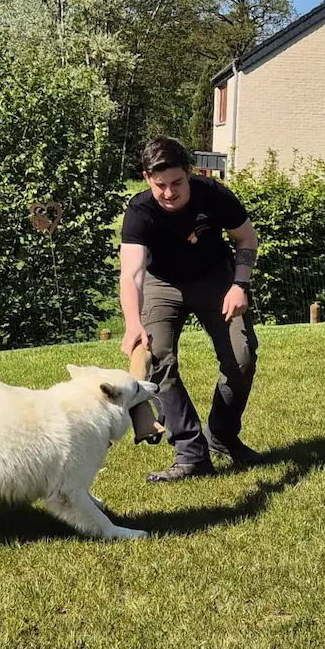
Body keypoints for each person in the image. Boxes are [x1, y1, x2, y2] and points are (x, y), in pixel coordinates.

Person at [118, 136, 264, 482]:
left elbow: (246, 238)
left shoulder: (213, 195)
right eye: (160, 185)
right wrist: (133, 323)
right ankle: (191, 454)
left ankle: (223, 435)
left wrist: (239, 285)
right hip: (162, 284)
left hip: (216, 279)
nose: (169, 193)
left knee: (242, 358)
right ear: (147, 178)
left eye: (177, 183)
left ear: (189, 172)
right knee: (159, 359)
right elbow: (132, 273)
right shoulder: (140, 211)